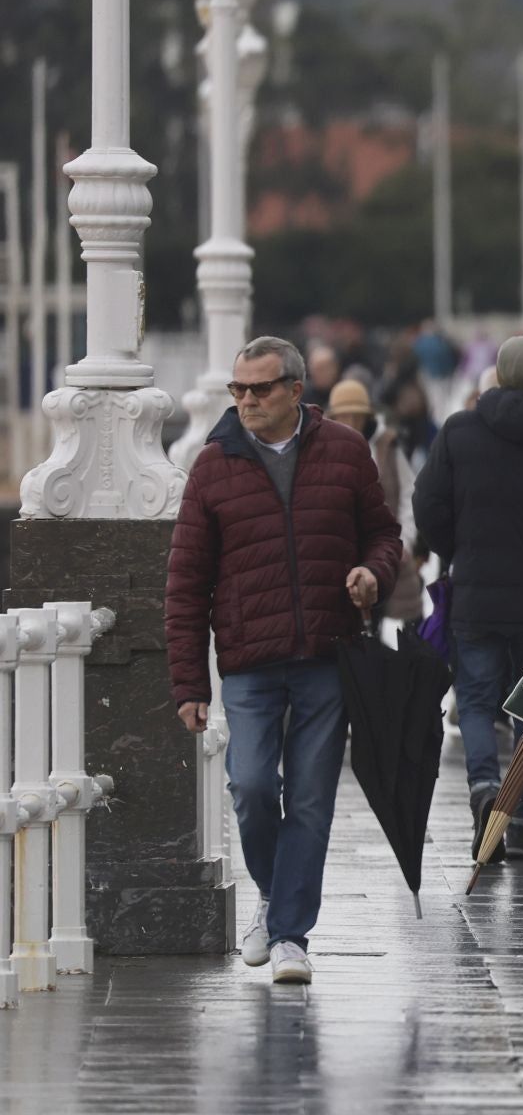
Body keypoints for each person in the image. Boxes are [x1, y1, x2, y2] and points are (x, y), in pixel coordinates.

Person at [167, 336, 402, 986]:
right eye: (237, 391)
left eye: (259, 390)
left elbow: (385, 534)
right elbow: (186, 580)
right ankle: (272, 899)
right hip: (247, 659)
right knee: (248, 787)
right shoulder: (213, 467)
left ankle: (292, 933)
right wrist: (190, 680)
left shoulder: (346, 453)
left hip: (328, 653)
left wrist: (370, 573)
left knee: (309, 797)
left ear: (296, 391)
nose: (245, 401)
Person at [414, 334, 523, 864]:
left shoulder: (459, 432)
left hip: (475, 592)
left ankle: (483, 785)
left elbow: (428, 504)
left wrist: (457, 550)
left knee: (474, 698)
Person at [326, 380, 424, 623]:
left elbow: (408, 494)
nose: (349, 421)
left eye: (354, 415)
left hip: (388, 552)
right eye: (343, 416)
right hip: (344, 558)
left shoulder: (387, 445)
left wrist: (404, 542)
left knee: (402, 629)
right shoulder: (325, 450)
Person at [305, 342, 341, 408]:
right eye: (317, 369)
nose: (320, 374)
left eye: (324, 369)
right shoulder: (303, 396)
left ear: (335, 369)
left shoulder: (343, 393)